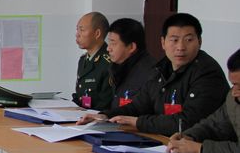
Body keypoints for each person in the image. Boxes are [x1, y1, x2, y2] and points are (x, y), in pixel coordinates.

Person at [78, 13, 228, 136]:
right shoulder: (161, 69)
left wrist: (138, 122)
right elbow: (138, 106)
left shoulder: (207, 73)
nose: (181, 47)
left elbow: (187, 123)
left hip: (198, 148)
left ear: (199, 41)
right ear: (163, 43)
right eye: (174, 40)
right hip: (167, 142)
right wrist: (105, 116)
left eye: (189, 40)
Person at [166, 48, 239, 153]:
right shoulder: (234, 98)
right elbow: (214, 125)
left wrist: (200, 149)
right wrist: (189, 136)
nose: (234, 92)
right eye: (234, 84)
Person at [105, 18, 156, 110]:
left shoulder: (150, 73)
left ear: (131, 47)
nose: (108, 48)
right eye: (109, 42)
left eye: (113, 43)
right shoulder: (118, 66)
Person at [72, 12, 113, 109]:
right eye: (77, 30)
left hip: (98, 115)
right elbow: (80, 95)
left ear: (97, 33)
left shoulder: (109, 62)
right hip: (82, 113)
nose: (77, 35)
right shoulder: (83, 60)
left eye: (82, 30)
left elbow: (106, 102)